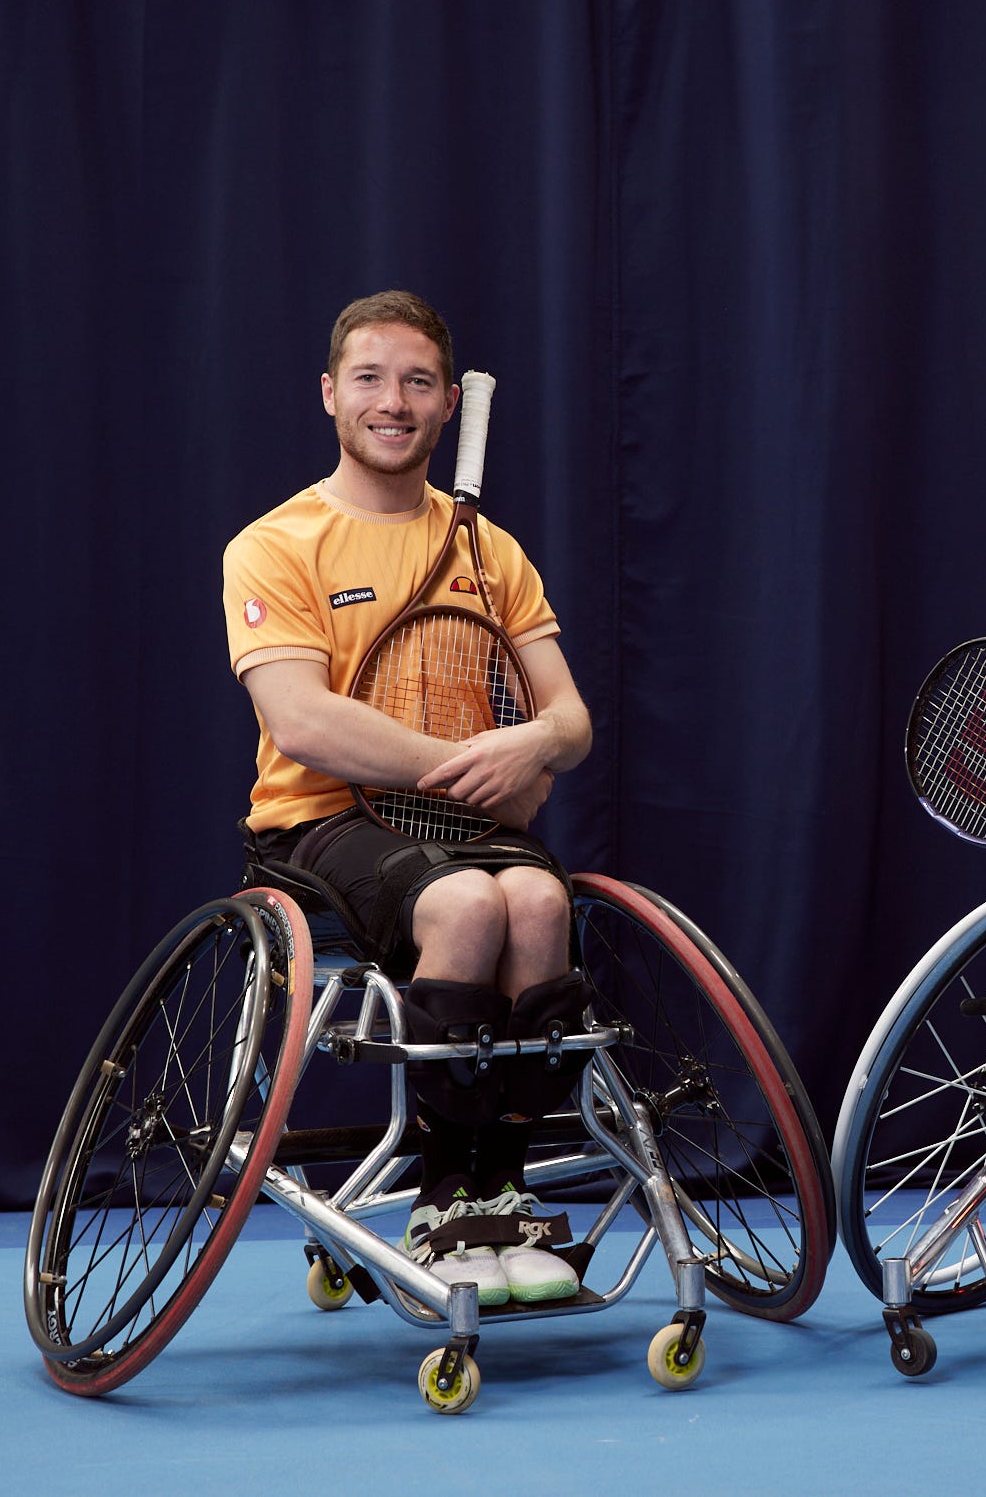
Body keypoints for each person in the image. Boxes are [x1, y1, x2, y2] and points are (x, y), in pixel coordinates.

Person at [222, 290, 595, 1310]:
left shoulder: (493, 552)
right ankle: (443, 1203)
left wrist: (535, 740)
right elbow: (301, 719)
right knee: (470, 904)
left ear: (446, 405)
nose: (395, 400)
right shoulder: (274, 544)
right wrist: (460, 761)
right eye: (373, 378)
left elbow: (571, 721)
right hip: (318, 828)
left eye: (418, 381)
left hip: (468, 826)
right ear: (332, 394)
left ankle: (501, 1196)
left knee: (541, 905)